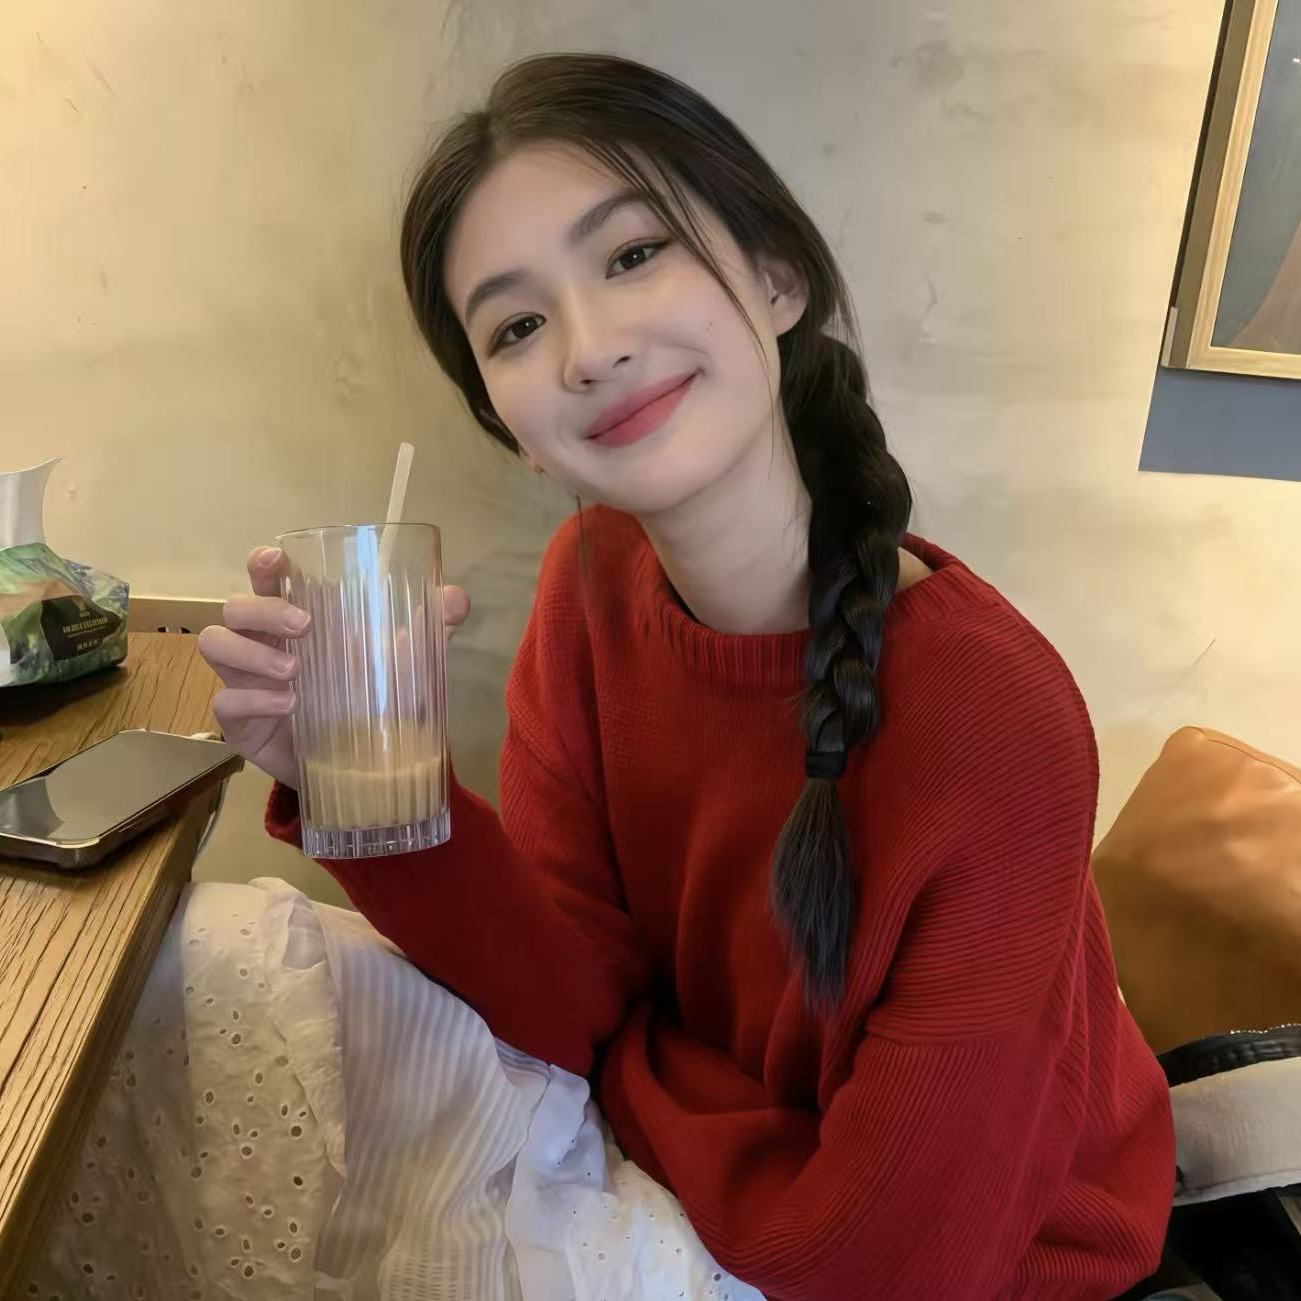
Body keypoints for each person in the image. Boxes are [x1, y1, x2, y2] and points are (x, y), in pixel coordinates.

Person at [199, 52, 1174, 1299]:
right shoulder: (587, 588)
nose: (589, 348)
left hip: (1012, 1261)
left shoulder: (994, 717)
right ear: (512, 430)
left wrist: (631, 1060)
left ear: (774, 278)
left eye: (631, 254)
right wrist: (355, 784)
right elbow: (569, 997)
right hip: (732, 1202)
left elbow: (887, 1265)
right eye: (516, 326)